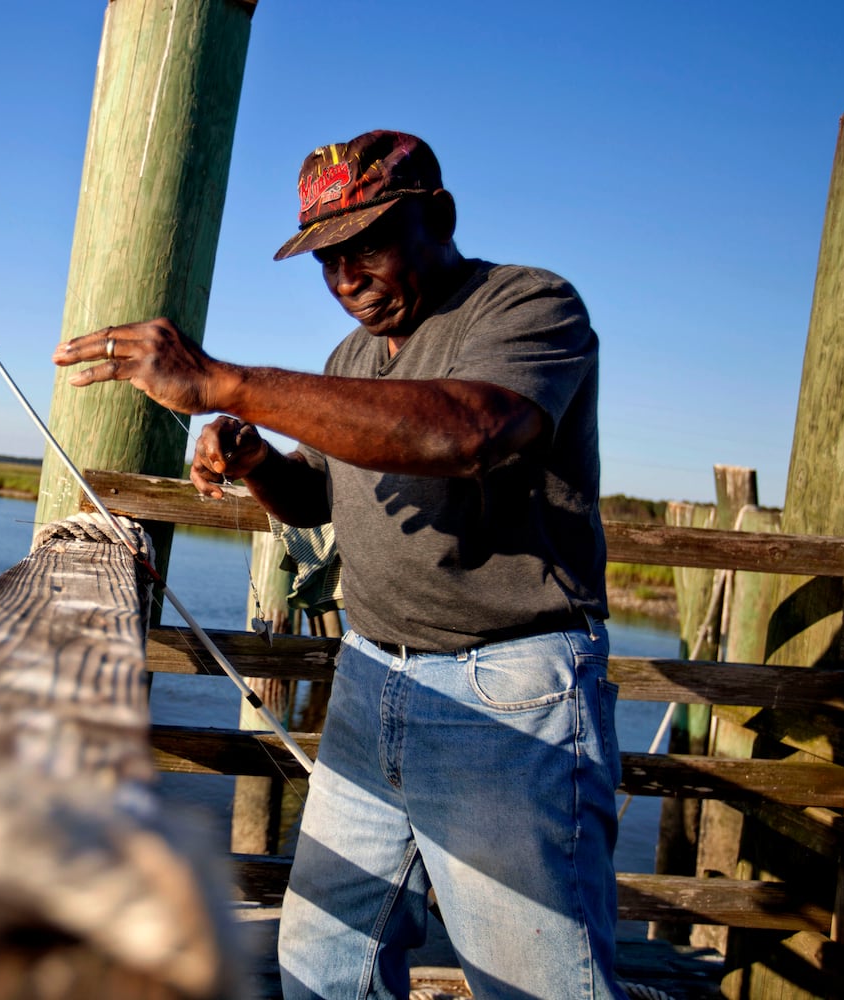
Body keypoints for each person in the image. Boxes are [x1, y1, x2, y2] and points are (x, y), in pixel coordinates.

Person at [53, 129, 622, 1000]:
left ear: (438, 217)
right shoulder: (353, 360)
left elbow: (468, 430)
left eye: (367, 246)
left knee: (539, 985)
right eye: (326, 257)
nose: (346, 276)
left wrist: (223, 382)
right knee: (324, 962)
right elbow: (319, 497)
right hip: (369, 681)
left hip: (503, 693)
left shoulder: (525, 305)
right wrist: (253, 461)